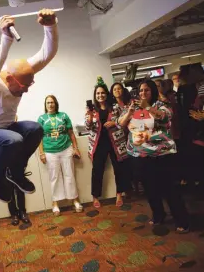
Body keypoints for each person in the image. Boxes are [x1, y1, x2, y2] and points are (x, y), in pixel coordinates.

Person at [0, 9, 59, 202]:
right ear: (9, 78)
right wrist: (5, 38)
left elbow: (47, 54)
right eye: (23, 87)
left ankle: (16, 172)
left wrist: (50, 25)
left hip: (7, 129)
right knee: (13, 140)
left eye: (29, 85)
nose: (26, 91)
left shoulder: (22, 73)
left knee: (36, 128)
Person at [119, 79, 189, 233]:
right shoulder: (134, 106)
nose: (143, 93)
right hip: (140, 155)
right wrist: (130, 112)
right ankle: (159, 215)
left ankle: (181, 219)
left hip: (162, 154)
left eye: (147, 90)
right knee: (150, 189)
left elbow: (165, 117)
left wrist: (148, 108)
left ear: (153, 92)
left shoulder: (161, 105)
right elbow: (121, 123)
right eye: (141, 91)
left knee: (170, 188)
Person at [85, 77, 131, 208]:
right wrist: (89, 118)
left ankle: (119, 194)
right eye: (98, 93)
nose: (100, 95)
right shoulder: (91, 110)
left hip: (115, 142)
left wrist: (114, 122)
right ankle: (95, 196)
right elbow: (88, 128)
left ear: (107, 94)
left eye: (103, 93)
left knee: (119, 168)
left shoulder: (115, 108)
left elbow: (123, 122)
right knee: (97, 170)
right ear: (95, 95)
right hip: (98, 143)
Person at [38, 95, 83, 216]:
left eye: (52, 102)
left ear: (56, 103)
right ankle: (55, 203)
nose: (50, 105)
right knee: (54, 177)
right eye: (48, 103)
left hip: (66, 149)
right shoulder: (41, 118)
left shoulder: (63, 115)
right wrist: (41, 153)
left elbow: (71, 133)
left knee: (70, 174)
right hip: (50, 151)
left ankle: (75, 200)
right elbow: (39, 138)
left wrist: (75, 148)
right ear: (45, 105)